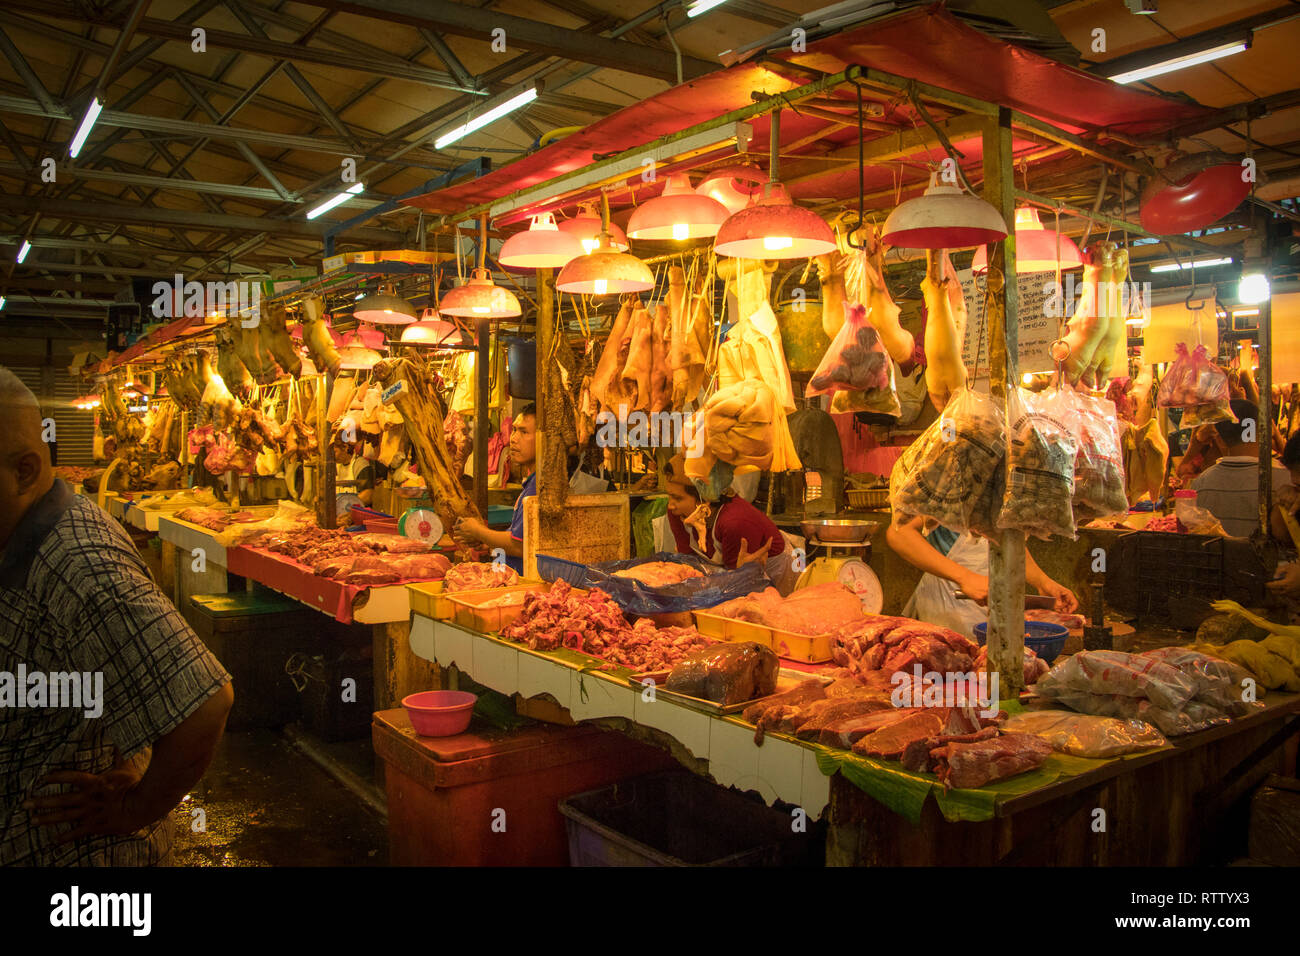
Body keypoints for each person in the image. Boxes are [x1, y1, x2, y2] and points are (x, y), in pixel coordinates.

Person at [0, 367, 233, 865]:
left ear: (23, 472)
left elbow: (204, 703)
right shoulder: (30, 535)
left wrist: (136, 808)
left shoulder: (79, 565)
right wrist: (128, 747)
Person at [887, 516, 1079, 640]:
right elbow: (899, 532)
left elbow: (1004, 542)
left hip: (992, 606)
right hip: (949, 605)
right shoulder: (951, 477)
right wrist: (965, 578)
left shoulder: (1003, 480)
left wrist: (1042, 581)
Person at [663, 456, 799, 594]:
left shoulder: (734, 523)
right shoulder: (676, 513)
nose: (671, 505)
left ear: (704, 499)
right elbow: (688, 563)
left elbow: (737, 587)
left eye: (678, 498)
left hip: (775, 580)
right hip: (731, 578)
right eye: (669, 495)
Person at [453, 404, 536, 575]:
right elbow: (516, 540)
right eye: (514, 430)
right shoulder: (531, 483)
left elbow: (519, 546)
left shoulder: (538, 486)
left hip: (524, 584)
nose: (513, 438)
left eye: (524, 432)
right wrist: (487, 543)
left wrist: (477, 530)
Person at [1191, 399, 1291, 538]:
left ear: (1219, 440)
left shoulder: (1199, 484)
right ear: (1265, 432)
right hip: (1266, 560)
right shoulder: (1287, 482)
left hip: (1219, 559)